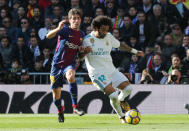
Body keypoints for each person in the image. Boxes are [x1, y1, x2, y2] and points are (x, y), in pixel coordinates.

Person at [81, 15, 144, 123]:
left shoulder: (109, 36)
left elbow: (120, 45)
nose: (105, 32)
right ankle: (121, 116)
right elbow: (78, 57)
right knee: (113, 95)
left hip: (111, 70)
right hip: (97, 74)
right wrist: (84, 52)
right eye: (103, 30)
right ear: (96, 28)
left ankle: (122, 100)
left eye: (107, 30)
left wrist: (135, 51)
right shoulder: (87, 40)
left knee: (128, 89)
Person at [46, 8, 90, 123]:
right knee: (56, 97)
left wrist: (85, 51)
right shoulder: (65, 30)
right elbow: (48, 36)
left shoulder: (81, 34)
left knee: (71, 76)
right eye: (73, 18)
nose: (76, 20)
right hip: (56, 65)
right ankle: (60, 110)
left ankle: (75, 107)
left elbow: (80, 55)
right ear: (69, 20)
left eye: (78, 18)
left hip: (69, 64)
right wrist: (57, 29)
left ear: (80, 20)